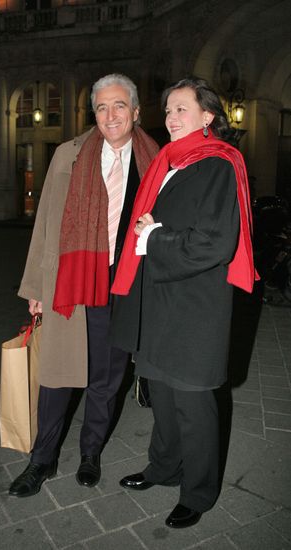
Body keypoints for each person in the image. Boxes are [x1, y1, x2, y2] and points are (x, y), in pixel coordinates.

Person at [110, 76, 259, 528]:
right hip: (160, 303)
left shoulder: (218, 164)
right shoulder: (172, 163)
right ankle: (163, 467)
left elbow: (213, 244)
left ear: (208, 116)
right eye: (169, 110)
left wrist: (154, 237)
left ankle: (198, 491)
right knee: (163, 396)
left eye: (182, 109)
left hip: (195, 309)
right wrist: (152, 232)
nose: (171, 118)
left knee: (194, 407)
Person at [8, 74, 159, 498]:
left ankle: (90, 451)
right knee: (56, 377)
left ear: (135, 112)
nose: (110, 116)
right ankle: (42, 459)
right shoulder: (68, 155)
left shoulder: (156, 160)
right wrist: (36, 285)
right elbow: (45, 225)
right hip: (70, 284)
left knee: (107, 379)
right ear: (93, 113)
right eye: (101, 108)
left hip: (124, 287)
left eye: (118, 106)